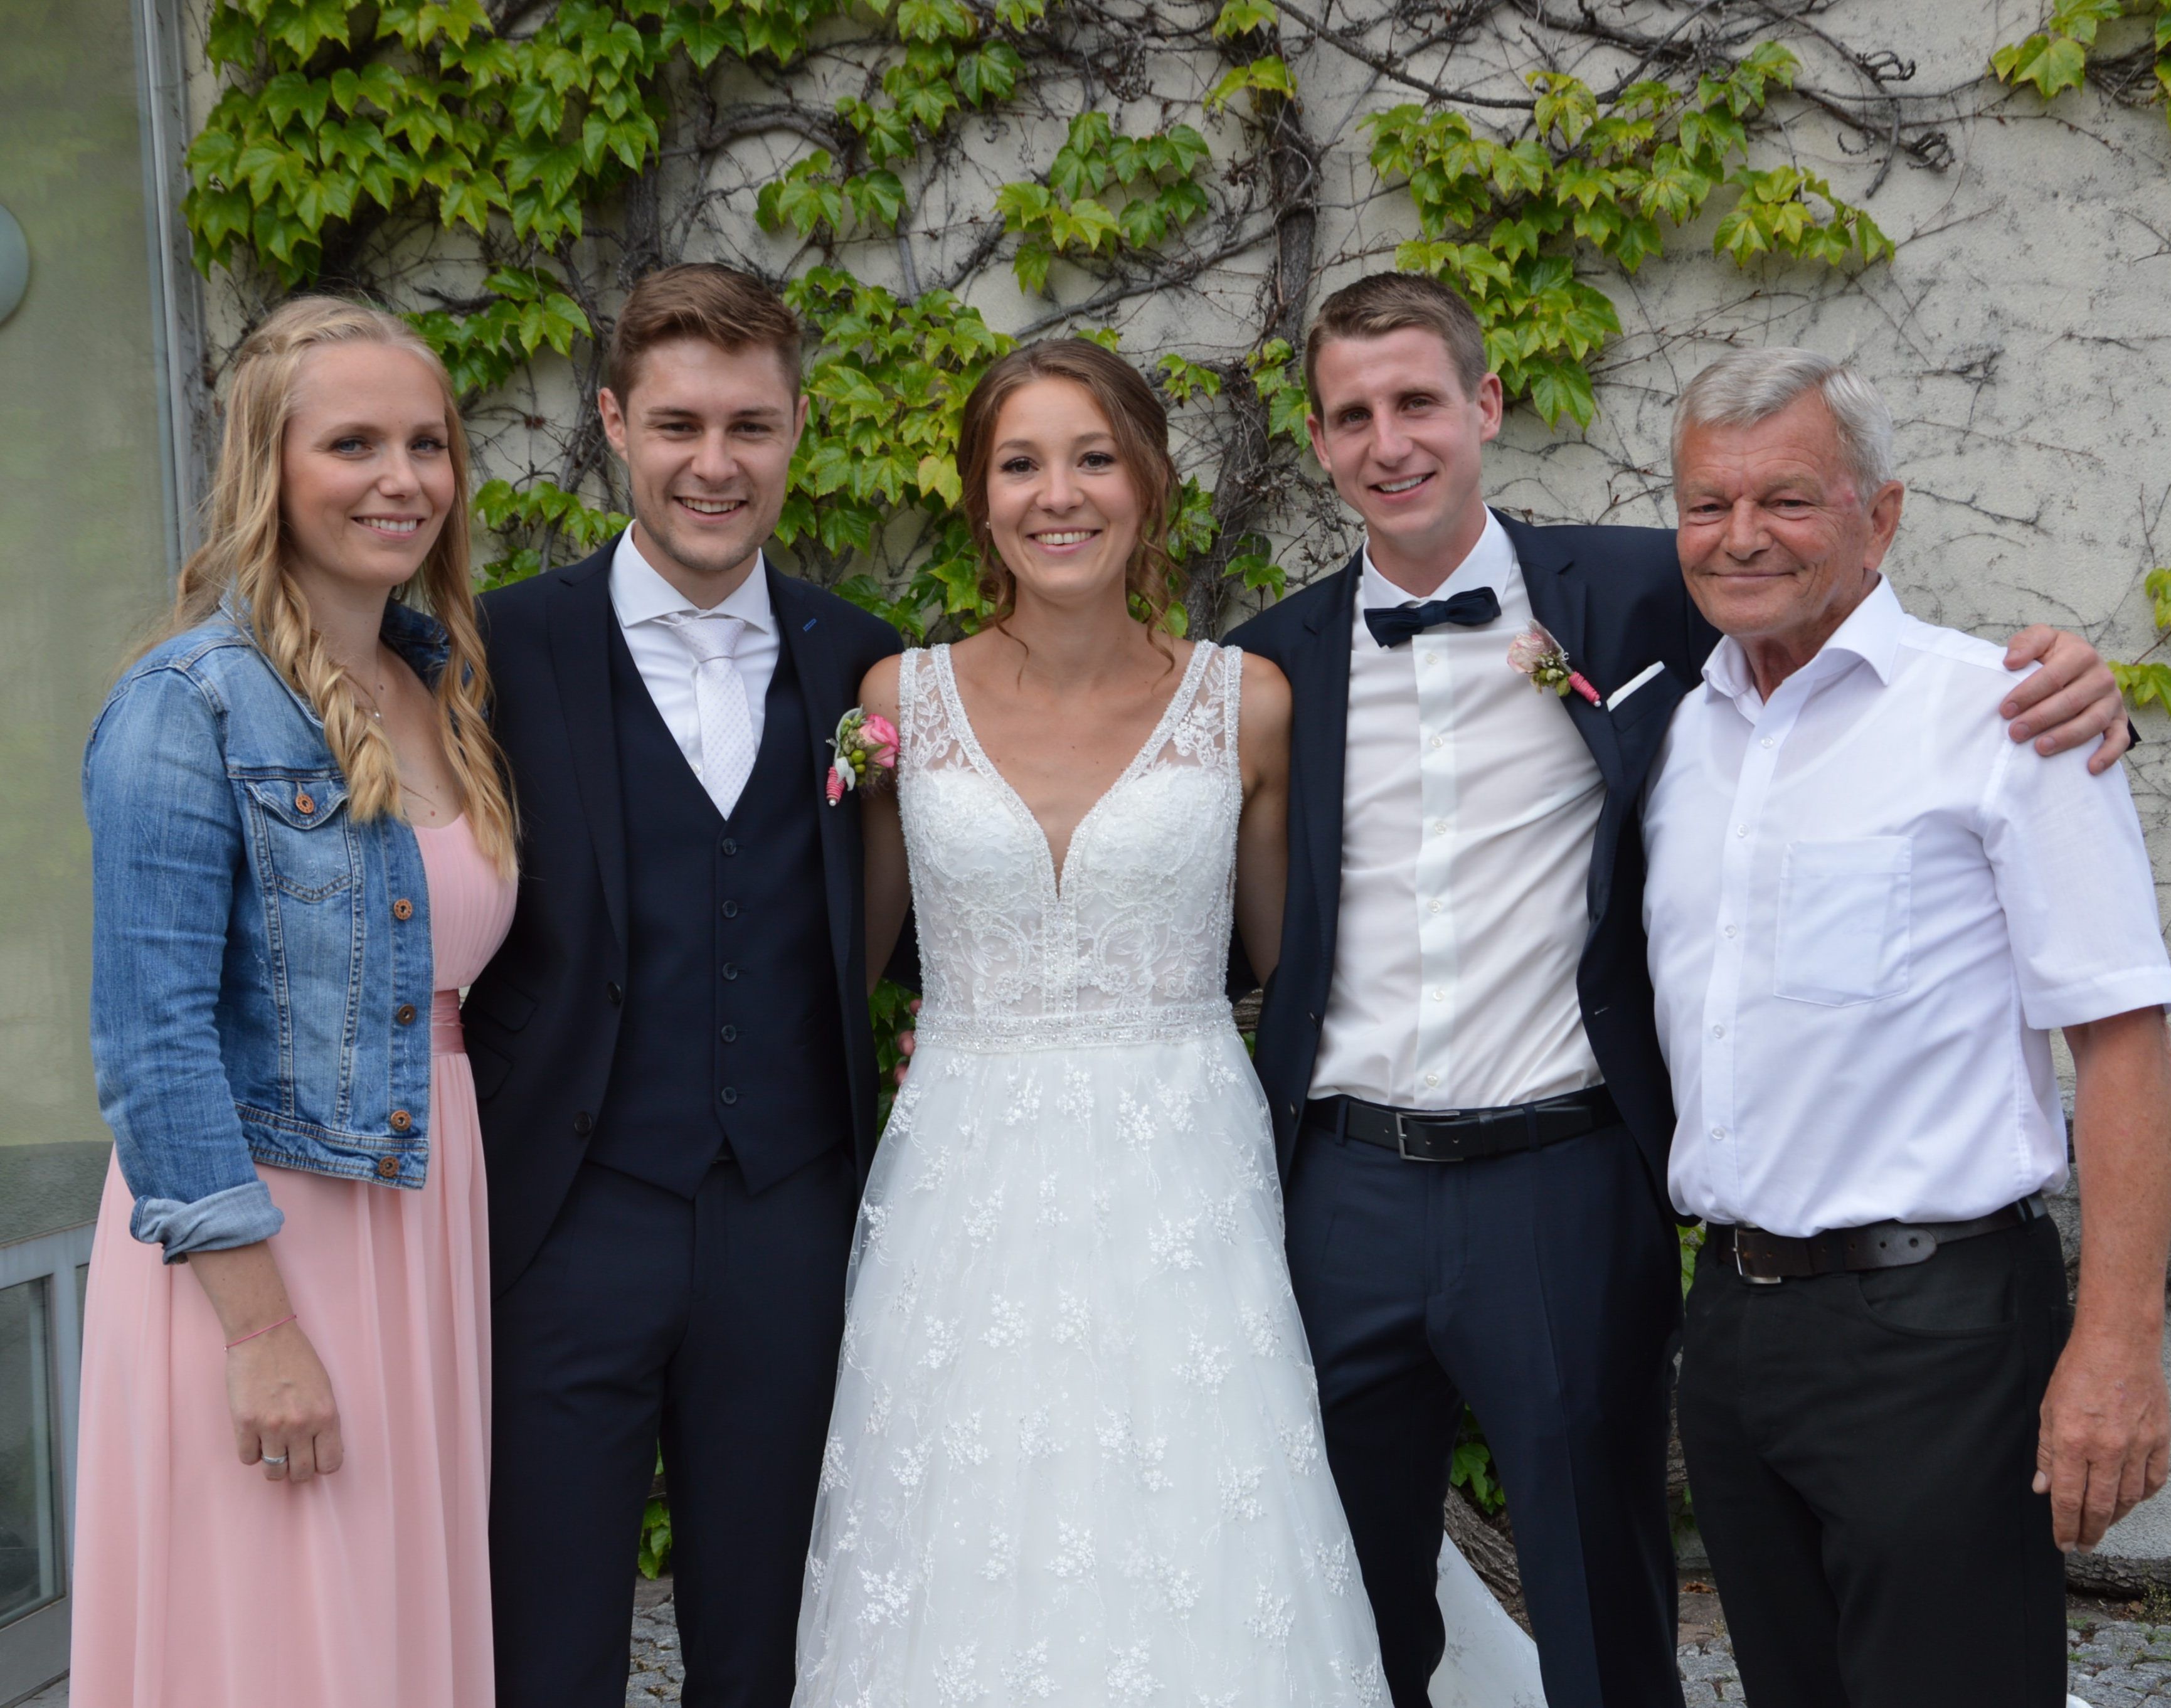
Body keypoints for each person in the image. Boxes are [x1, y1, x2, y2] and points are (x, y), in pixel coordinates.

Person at [1223, 273, 2133, 1708]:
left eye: (1417, 403)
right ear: (1322, 443)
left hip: (1564, 1175)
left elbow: (1839, 616)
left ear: (1486, 408)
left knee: (1603, 1589)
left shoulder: (1652, 590)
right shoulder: (1263, 665)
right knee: (1342, 1588)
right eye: (1352, 416)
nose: (1389, 442)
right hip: (1346, 1185)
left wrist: (2079, 674)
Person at [792, 338, 1406, 1704]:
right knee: (959, 1524)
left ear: (1149, 486)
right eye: (1020, 463)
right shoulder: (901, 705)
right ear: (979, 495)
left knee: (1196, 1516)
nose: (1056, 495)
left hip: (1180, 1173)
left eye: (1093, 457)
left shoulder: (1245, 705)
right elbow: (850, 960)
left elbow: (1286, 966)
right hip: (963, 1177)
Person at [1642, 347, 2171, 1707]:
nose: (1742, 535)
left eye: (1791, 500)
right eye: (1708, 504)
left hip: (1936, 1331)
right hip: (1737, 1333)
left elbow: (2122, 1040)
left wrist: (2116, 1347)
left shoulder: (2004, 717)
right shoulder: (1673, 732)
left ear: (1881, 516)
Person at [72, 297, 519, 1707]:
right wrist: (259, 1331)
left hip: (420, 1210)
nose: (403, 479)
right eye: (354, 444)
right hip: (267, 1238)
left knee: (388, 1628)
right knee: (282, 1641)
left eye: (427, 444)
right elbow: (151, 1041)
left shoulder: (435, 684)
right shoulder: (187, 704)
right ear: (272, 466)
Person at [469, 263, 903, 1708]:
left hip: (790, 1212)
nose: (713, 465)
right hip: (562, 1219)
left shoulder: (869, 664)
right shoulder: (492, 650)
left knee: (768, 1635)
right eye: (676, 425)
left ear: (797, 431)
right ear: (613, 424)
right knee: (547, 1631)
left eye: (751, 426)